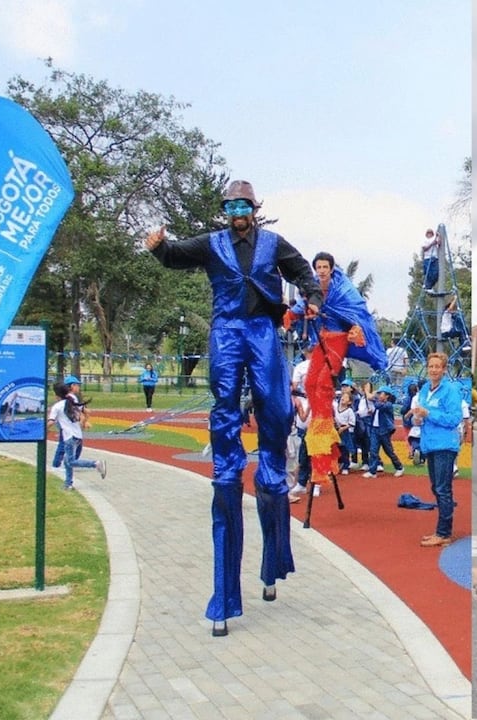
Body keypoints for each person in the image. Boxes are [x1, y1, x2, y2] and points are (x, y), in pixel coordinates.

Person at [144, 179, 322, 637]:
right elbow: (177, 255)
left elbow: (302, 271)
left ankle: (272, 548)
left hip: (262, 331)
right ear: (225, 211)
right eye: (232, 207)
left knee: (275, 417)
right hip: (226, 331)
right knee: (225, 418)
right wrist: (159, 248)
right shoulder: (212, 243)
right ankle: (225, 591)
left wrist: (312, 297)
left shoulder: (273, 244)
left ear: (254, 209)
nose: (238, 213)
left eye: (244, 206)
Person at [299, 251, 388, 484]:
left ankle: (323, 430)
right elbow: (300, 306)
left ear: (331, 268)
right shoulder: (312, 287)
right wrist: (292, 313)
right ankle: (321, 422)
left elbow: (356, 312)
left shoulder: (343, 289)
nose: (321, 271)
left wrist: (355, 329)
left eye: (324, 267)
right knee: (310, 383)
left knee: (323, 384)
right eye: (318, 267)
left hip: (338, 339)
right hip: (322, 339)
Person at [411, 352, 463, 547]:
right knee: (437, 488)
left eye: (437, 366)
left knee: (443, 489)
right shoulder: (425, 389)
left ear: (444, 369)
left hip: (445, 445)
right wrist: (418, 418)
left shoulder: (450, 390)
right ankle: (441, 531)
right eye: (431, 366)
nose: (433, 370)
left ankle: (443, 533)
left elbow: (454, 418)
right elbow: (421, 414)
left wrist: (429, 414)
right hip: (430, 444)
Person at [48, 380, 106, 489]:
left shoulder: (57, 406)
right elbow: (82, 412)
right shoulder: (72, 401)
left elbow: (51, 422)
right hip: (77, 435)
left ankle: (95, 464)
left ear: (56, 395)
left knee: (71, 461)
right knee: (67, 461)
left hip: (69, 436)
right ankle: (68, 484)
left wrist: (42, 430)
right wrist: (84, 422)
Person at [364, 386, 405, 478]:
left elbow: (378, 405)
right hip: (375, 429)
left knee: (389, 451)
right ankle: (372, 471)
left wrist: (368, 393)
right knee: (373, 450)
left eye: (380, 393)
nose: (379, 395)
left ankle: (399, 467)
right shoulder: (380, 403)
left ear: (387, 396)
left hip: (384, 430)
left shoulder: (388, 405)